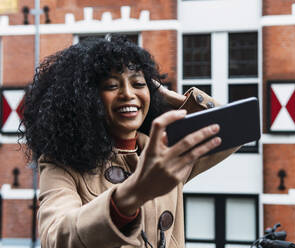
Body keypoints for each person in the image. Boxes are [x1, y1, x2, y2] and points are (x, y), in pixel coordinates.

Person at [21, 34, 236, 248]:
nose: (128, 93)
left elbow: (235, 131)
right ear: (86, 97)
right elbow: (56, 237)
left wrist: (173, 97)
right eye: (112, 86)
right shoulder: (60, 164)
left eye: (138, 83)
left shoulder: (165, 148)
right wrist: (131, 194)